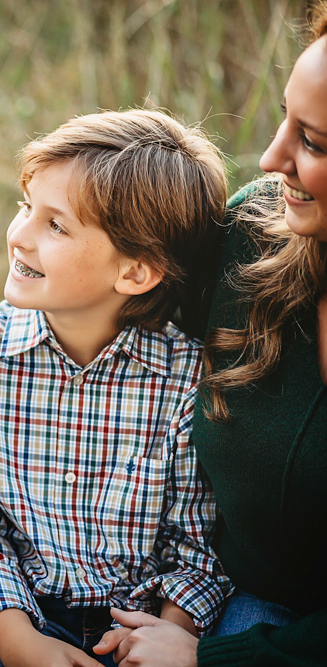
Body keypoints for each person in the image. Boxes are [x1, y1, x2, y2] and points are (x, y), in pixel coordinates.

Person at [0, 110, 234, 667]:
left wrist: (167, 635)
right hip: (12, 617)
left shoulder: (187, 382)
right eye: (27, 206)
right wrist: (20, 643)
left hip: (139, 625)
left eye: (55, 225)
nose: (19, 234)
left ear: (134, 273)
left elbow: (198, 545)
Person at [96, 5, 327, 667]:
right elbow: (98, 302)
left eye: (314, 142)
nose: (270, 154)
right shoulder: (255, 228)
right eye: (285, 115)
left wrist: (208, 658)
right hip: (205, 587)